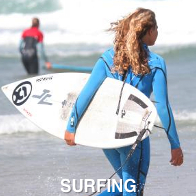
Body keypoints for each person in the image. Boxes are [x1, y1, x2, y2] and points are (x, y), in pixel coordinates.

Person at [64, 8, 183, 196]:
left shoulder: (108, 58)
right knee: (133, 189)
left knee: (130, 185)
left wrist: (71, 127)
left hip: (105, 135)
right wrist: (174, 144)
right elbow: (163, 106)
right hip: (132, 136)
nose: (158, 32)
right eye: (157, 28)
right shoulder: (155, 63)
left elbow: (86, 94)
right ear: (149, 30)